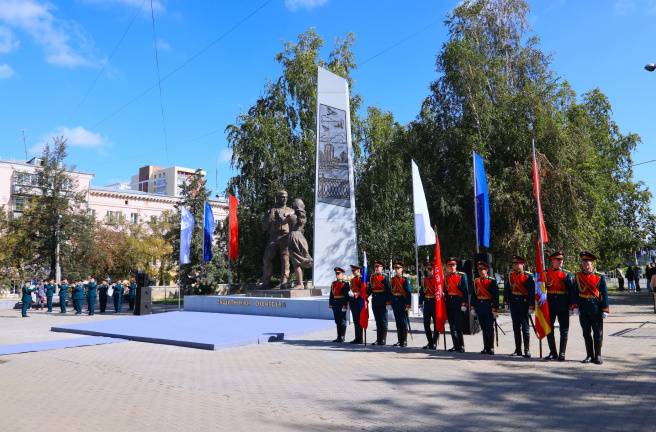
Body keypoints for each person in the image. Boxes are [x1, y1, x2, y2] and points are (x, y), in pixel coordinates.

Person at [573, 251, 609, 365]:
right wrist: (575, 306)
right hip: (583, 308)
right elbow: (575, 292)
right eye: (583, 262)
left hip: (596, 308)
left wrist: (605, 309)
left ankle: (598, 355)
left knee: (597, 333)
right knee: (586, 332)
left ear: (592, 263)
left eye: (587, 262)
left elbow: (604, 293)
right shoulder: (578, 276)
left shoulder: (600, 276)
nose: (585, 264)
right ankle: (589, 355)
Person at [544, 251, 576, 361]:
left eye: (561, 260)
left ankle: (562, 353)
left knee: (564, 329)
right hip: (550, 304)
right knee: (549, 329)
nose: (560, 261)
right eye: (558, 260)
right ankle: (553, 352)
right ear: (553, 261)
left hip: (563, 303)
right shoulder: (545, 273)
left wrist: (572, 306)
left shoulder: (566, 274)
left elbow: (571, 291)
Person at [260, 190, 295, 289]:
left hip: (284, 237)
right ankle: (266, 281)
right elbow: (264, 228)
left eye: (286, 197)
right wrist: (269, 219)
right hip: (273, 237)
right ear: (278, 198)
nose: (285, 199)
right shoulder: (269, 211)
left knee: (285, 259)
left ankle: (284, 281)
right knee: (266, 258)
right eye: (283, 197)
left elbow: (294, 224)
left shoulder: (290, 211)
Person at [504, 255, 535, 358]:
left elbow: (532, 292)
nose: (516, 265)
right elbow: (507, 290)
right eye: (514, 263)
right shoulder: (510, 276)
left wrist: (531, 306)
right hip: (514, 304)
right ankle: (518, 350)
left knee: (525, 328)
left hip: (524, 304)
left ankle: (527, 350)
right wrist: (506, 302)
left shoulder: (529, 276)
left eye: (518, 263)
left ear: (523, 264)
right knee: (516, 328)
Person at [470, 261, 499, 355]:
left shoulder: (492, 281)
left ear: (486, 270)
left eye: (482, 269)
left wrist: (495, 309)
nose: (480, 271)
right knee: (483, 328)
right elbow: (474, 295)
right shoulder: (476, 281)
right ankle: (485, 347)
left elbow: (496, 296)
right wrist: (472, 307)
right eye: (479, 269)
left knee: (490, 328)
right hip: (480, 307)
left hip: (488, 307)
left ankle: (491, 347)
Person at [444, 257, 469, 353]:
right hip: (449, 303)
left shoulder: (462, 276)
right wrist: (443, 293)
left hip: (458, 303)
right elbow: (445, 290)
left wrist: (464, 304)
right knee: (451, 326)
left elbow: (465, 291)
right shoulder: (446, 277)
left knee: (458, 325)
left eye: (453, 265)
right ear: (448, 267)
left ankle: (461, 345)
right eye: (450, 265)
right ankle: (455, 345)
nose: (452, 267)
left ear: (456, 265)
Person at [368, 261, 391, 346]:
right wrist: (365, 296)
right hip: (375, 301)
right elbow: (370, 289)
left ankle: (383, 339)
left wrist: (388, 302)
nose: (377, 268)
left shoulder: (385, 277)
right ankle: (378, 339)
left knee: (383, 320)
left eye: (378, 266)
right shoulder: (372, 278)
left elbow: (388, 290)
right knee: (378, 321)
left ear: (382, 268)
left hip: (382, 301)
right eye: (375, 267)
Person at [390, 261, 412, 347]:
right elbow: (391, 292)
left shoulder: (406, 279)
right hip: (395, 303)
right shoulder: (392, 279)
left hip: (403, 303)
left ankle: (404, 341)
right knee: (398, 322)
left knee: (403, 322)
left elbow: (409, 292)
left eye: (398, 268)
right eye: (395, 268)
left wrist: (408, 305)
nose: (397, 270)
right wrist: (390, 302)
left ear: (402, 269)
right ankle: (399, 340)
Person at [418, 263, 439, 350]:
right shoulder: (425, 280)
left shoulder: (437, 280)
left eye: (431, 270)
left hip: (435, 304)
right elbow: (422, 292)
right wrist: (420, 304)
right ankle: (429, 342)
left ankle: (434, 343)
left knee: (436, 325)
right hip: (427, 303)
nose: (430, 271)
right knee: (426, 324)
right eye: (429, 269)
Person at [329, 267, 349, 343]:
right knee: (337, 320)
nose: (337, 276)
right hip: (335, 303)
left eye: (338, 274)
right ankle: (338, 336)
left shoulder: (345, 283)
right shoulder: (333, 283)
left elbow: (346, 296)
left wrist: (344, 305)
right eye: (336, 274)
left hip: (341, 303)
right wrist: (330, 305)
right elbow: (331, 295)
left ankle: (342, 336)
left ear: (342, 274)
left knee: (342, 320)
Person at [348, 265, 367, 344]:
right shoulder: (352, 280)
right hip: (353, 302)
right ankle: (357, 337)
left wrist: (356, 295)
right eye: (352, 271)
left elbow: (364, 291)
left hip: (360, 301)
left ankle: (360, 338)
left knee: (359, 320)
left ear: (358, 270)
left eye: (354, 271)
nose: (353, 272)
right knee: (355, 320)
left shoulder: (362, 279)